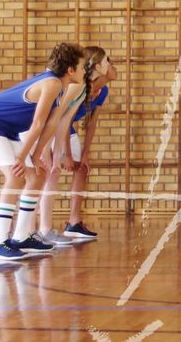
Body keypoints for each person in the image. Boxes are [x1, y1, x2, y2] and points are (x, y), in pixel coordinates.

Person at [0, 43, 85, 260]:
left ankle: (22, 237)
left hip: (7, 129)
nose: (84, 71)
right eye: (81, 67)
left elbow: (51, 124)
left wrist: (35, 156)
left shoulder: (59, 86)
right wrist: (22, 158)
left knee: (37, 175)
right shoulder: (51, 84)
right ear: (70, 70)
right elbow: (37, 124)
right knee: (16, 174)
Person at [37, 46, 115, 243]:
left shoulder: (99, 90)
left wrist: (84, 153)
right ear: (97, 66)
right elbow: (55, 117)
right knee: (46, 173)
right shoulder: (76, 86)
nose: (112, 64)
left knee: (76, 168)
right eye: (107, 61)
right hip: (47, 129)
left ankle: (70, 223)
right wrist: (49, 150)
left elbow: (88, 123)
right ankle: (37, 230)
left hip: (62, 129)